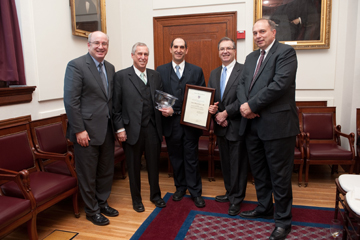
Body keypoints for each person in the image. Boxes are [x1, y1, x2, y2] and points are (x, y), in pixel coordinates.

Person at [237, 19, 299, 240]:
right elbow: (242, 85)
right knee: (260, 173)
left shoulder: (286, 53)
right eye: (254, 32)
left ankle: (283, 221)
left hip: (278, 126)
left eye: (262, 31)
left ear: (273, 32)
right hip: (252, 125)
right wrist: (245, 108)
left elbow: (279, 85)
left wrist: (251, 105)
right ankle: (264, 207)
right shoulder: (251, 57)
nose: (257, 36)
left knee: (279, 176)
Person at [64, 31, 118, 226]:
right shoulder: (76, 65)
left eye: (104, 43)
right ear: (88, 45)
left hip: (106, 130)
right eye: (97, 43)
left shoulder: (110, 68)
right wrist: (79, 130)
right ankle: (91, 210)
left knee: (105, 171)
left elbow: (109, 100)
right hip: (85, 132)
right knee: (87, 174)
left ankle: (102, 203)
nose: (101, 46)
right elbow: (71, 101)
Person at [112, 42, 173, 213]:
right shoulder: (121, 76)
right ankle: (136, 199)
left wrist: (168, 109)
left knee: (154, 165)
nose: (143, 57)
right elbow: (115, 107)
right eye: (139, 54)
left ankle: (155, 196)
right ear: (132, 56)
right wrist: (120, 129)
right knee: (133, 167)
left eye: (146, 54)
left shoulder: (155, 76)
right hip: (131, 130)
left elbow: (161, 101)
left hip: (153, 129)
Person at [156, 38, 206, 208]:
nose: (178, 50)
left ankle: (195, 192)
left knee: (191, 159)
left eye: (182, 47)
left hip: (191, 125)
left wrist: (175, 109)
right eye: (175, 47)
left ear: (186, 50)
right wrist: (166, 109)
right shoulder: (160, 71)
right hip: (170, 125)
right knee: (176, 159)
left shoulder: (196, 71)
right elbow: (159, 96)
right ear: (170, 49)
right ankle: (180, 188)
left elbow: (201, 98)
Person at [208, 37, 248, 216]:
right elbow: (212, 97)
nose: (225, 51)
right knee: (225, 163)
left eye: (228, 48)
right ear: (218, 52)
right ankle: (229, 192)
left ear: (234, 51)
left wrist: (226, 113)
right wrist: (214, 111)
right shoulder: (214, 73)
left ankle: (237, 200)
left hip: (237, 125)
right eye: (222, 49)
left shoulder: (244, 71)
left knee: (237, 164)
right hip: (220, 126)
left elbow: (244, 98)